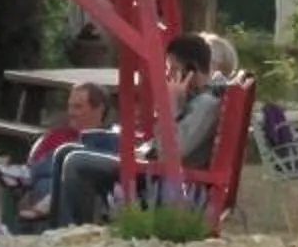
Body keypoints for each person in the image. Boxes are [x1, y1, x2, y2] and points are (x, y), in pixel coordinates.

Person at [53, 33, 221, 227]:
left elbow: (170, 154)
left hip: (159, 176)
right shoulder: (194, 99)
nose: (168, 77)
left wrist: (171, 107)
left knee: (76, 162)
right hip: (149, 163)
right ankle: (58, 228)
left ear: (192, 70)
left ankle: (76, 231)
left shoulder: (206, 105)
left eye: (173, 70)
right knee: (64, 151)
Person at [5, 79, 115, 227]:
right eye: (69, 107)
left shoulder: (109, 141)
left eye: (78, 107)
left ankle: (49, 197)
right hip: (43, 186)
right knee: (59, 159)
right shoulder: (56, 136)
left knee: (75, 158)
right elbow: (35, 168)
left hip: (80, 193)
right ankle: (46, 194)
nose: (71, 113)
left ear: (99, 109)